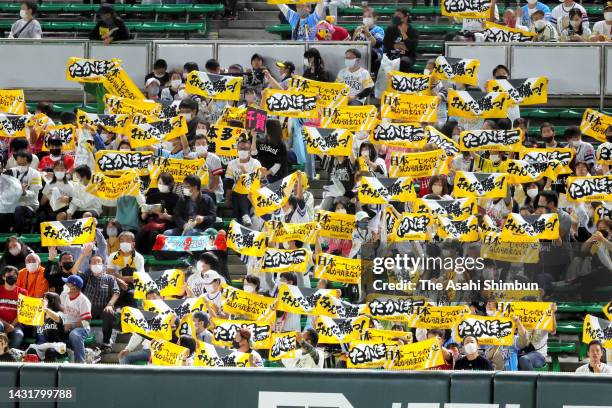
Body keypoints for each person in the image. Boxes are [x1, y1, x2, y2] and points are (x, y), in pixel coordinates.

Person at [74, 245, 120, 353]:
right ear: (89, 265)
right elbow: (75, 271)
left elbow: (116, 292)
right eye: (93, 262)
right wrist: (83, 255)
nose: (96, 264)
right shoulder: (86, 276)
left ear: (103, 264)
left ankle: (106, 342)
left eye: (98, 262)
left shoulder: (110, 278)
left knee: (109, 313)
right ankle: (79, 343)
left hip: (103, 308)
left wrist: (110, 304)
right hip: (88, 309)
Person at [224, 137, 262, 226]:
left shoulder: (255, 163)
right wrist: (227, 199)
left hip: (252, 193)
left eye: (245, 149)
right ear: (237, 150)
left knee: (243, 184)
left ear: (249, 150)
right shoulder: (232, 163)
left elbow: (255, 182)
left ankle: (242, 217)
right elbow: (229, 182)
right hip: (236, 194)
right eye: (240, 149)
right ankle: (244, 216)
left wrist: (245, 172)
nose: (242, 151)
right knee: (238, 188)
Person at [118, 290, 161, 364]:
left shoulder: (171, 314)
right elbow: (137, 334)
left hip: (164, 351)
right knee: (124, 357)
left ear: (161, 299)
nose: (151, 301)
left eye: (154, 298)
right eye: (149, 299)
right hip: (147, 350)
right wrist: (128, 349)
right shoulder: (143, 315)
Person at [7, 151, 42, 233]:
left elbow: (34, 194)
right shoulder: (10, 172)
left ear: (29, 163)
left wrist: (24, 192)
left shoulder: (35, 174)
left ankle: (18, 235)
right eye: (19, 164)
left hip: (29, 205)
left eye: (23, 164)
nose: (20, 166)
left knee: (19, 209)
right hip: (12, 204)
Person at [60, 275, 92, 364]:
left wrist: (71, 326)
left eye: (67, 284)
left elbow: (86, 322)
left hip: (81, 328)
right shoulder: (64, 295)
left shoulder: (83, 300)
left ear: (73, 288)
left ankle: (81, 363)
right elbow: (60, 309)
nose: (65, 285)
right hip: (66, 325)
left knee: (74, 335)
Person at [383, 8, 419, 73]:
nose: (396, 16)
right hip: (391, 55)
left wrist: (403, 33)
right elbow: (386, 44)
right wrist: (398, 46)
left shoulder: (412, 31)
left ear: (406, 17)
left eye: (399, 14)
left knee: (403, 62)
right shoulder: (390, 29)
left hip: (407, 56)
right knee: (380, 61)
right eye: (395, 15)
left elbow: (411, 47)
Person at [36, 292, 67, 361]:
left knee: (50, 352)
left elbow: (57, 318)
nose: (42, 301)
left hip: (57, 346)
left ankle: (49, 372)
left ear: (52, 301)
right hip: (41, 345)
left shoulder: (60, 313)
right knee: (31, 352)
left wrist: (45, 309)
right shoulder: (39, 315)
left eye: (44, 299)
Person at [352, 7, 385, 74]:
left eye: (369, 16)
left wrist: (367, 33)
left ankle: (370, 75)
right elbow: (353, 44)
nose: (366, 18)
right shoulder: (359, 29)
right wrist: (355, 34)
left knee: (369, 53)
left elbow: (377, 44)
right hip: (360, 52)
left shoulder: (378, 30)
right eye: (364, 16)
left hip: (375, 54)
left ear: (375, 18)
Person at [0, 266, 26, 349]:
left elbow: (22, 312)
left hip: (15, 325)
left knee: (19, 335)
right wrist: (7, 324)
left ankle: (9, 355)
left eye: (14, 274)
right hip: (1, 323)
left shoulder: (23, 292)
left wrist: (12, 325)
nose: (12, 276)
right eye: (9, 274)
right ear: (3, 277)